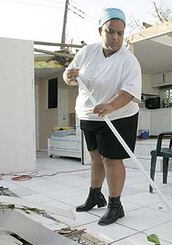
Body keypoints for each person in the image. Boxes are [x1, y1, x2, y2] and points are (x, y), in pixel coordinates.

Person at [63, 8, 142, 226]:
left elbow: (128, 93)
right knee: (96, 157)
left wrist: (110, 105)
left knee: (111, 159)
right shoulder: (87, 52)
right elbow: (70, 76)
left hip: (119, 116)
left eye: (120, 33)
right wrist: (68, 76)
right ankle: (95, 195)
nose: (115, 37)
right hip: (89, 114)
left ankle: (115, 205)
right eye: (110, 31)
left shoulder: (129, 61)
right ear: (100, 30)